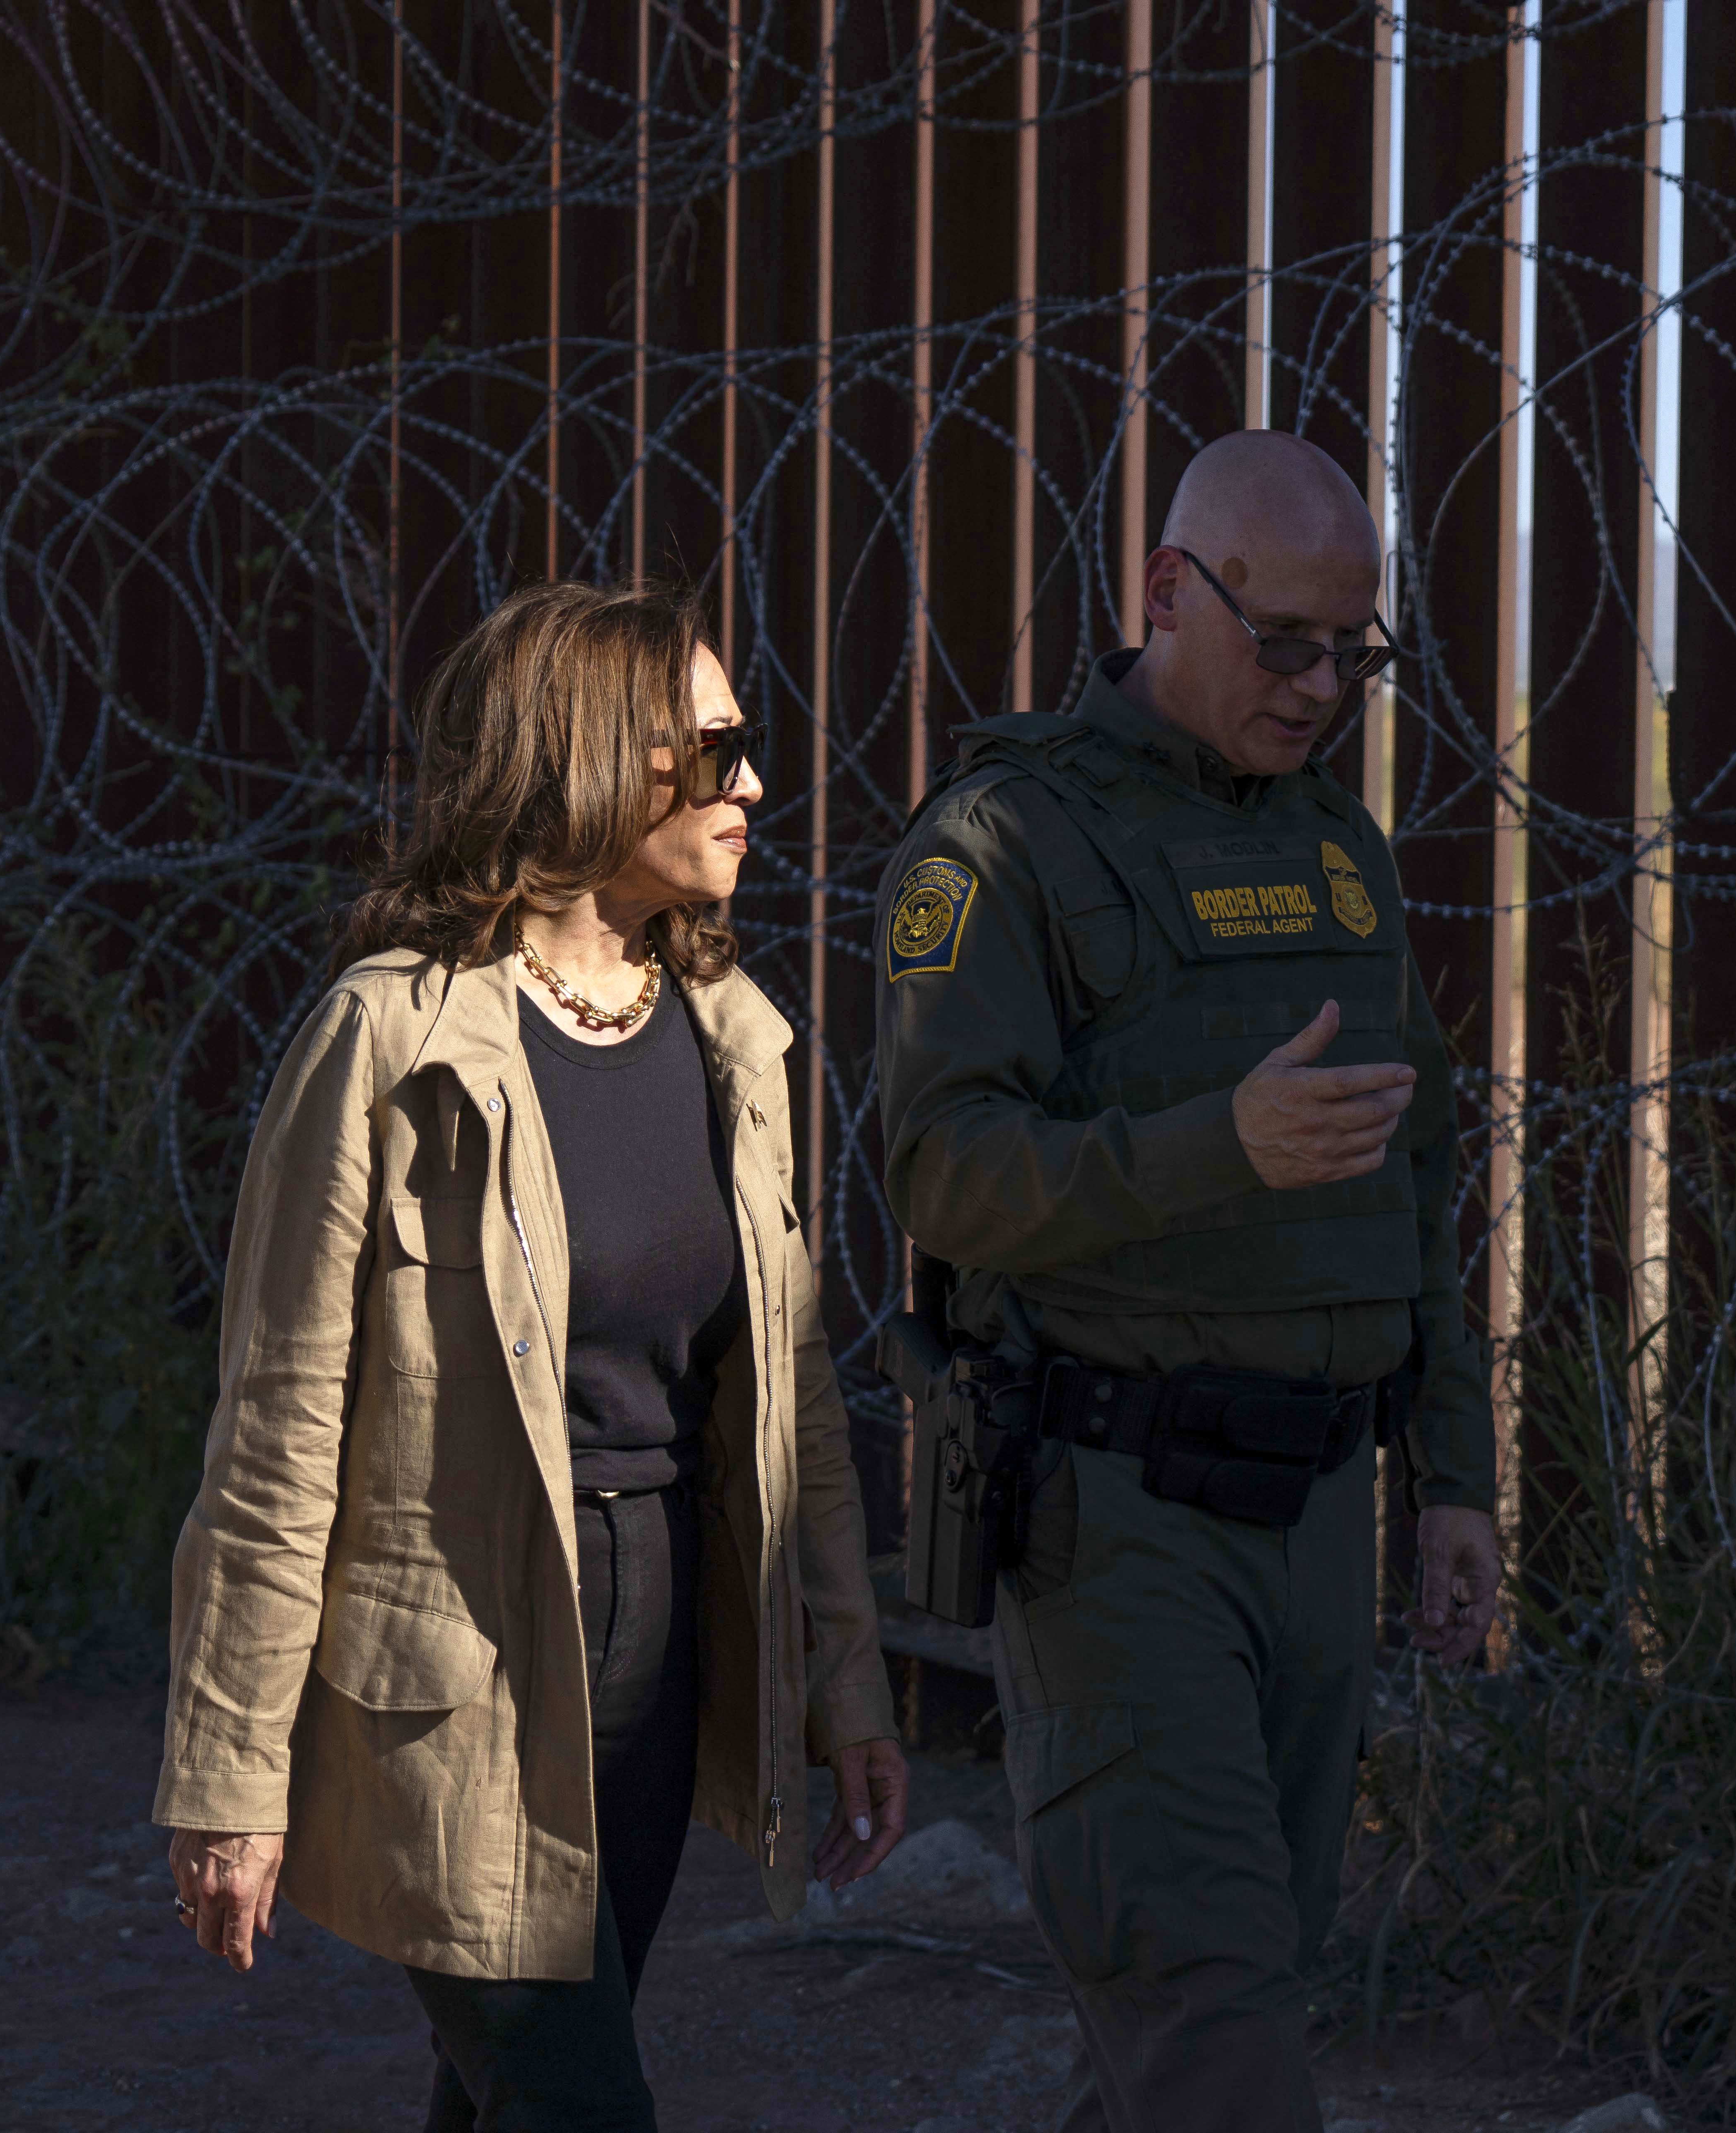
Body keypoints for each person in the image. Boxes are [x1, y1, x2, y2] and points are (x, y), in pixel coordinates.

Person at [153, 580, 908, 2131]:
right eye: (716, 748)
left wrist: (851, 1686)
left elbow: (793, 1402)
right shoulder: (393, 1046)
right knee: (580, 2102)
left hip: (659, 1644)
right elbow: (280, 1429)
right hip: (464, 1667)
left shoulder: (732, 1036)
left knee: (505, 2092)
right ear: (592, 761)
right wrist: (231, 1769)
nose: (754, 783)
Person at [874, 430, 1502, 2132]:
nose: (1321, 688)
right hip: (1116, 1518)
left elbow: (1420, 1180)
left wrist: (1454, 1477)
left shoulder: (1335, 850)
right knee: (1214, 2025)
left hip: (1312, 1524)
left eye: (1355, 653)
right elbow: (940, 1171)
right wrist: (1217, 1142)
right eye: (1284, 638)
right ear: (1168, 591)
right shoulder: (1002, 841)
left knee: (1200, 2018)